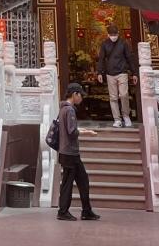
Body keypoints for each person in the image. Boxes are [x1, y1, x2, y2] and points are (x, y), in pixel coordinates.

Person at [56, 83, 100, 221]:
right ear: (75, 94)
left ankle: (86, 210)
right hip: (70, 152)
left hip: (67, 151)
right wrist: (87, 133)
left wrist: (83, 130)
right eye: (80, 95)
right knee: (69, 183)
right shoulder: (69, 110)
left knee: (82, 181)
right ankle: (63, 211)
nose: (81, 98)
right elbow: (72, 131)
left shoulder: (63, 108)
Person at [96, 23, 138, 128]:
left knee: (124, 95)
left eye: (115, 34)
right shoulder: (105, 44)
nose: (113, 36)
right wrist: (99, 72)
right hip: (110, 74)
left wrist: (134, 73)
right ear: (108, 35)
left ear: (118, 33)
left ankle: (126, 116)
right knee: (113, 97)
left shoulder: (123, 43)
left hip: (122, 72)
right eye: (111, 35)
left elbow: (129, 58)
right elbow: (101, 59)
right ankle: (117, 119)